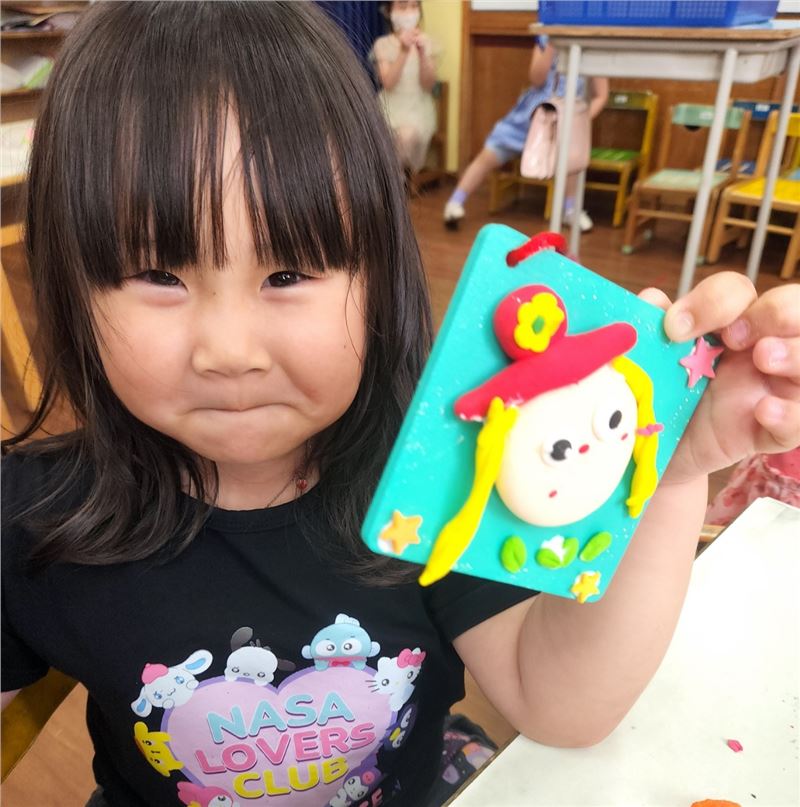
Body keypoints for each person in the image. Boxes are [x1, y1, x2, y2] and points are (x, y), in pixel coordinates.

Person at [2, 4, 799, 807]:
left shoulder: (445, 471)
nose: (229, 349)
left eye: (287, 274)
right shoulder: (28, 519)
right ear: (71, 284)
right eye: (158, 274)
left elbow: (561, 703)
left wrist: (667, 476)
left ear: (378, 275)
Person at [443, 36, 608, 233]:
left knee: (571, 162)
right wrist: (550, 44)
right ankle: (455, 201)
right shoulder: (546, 40)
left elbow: (601, 95)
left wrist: (580, 121)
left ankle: (570, 210)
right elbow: (536, 78)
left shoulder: (593, 48)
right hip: (529, 117)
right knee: (490, 153)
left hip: (567, 121)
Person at [372, 0, 439, 175]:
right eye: (402, 6)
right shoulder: (382, 44)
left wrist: (422, 54)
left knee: (406, 136)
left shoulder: (427, 42)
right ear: (389, 11)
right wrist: (404, 51)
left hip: (417, 109)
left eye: (414, 6)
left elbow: (428, 84)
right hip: (387, 107)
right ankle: (382, 178)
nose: (409, 11)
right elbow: (388, 83)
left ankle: (393, 180)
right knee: (371, 133)